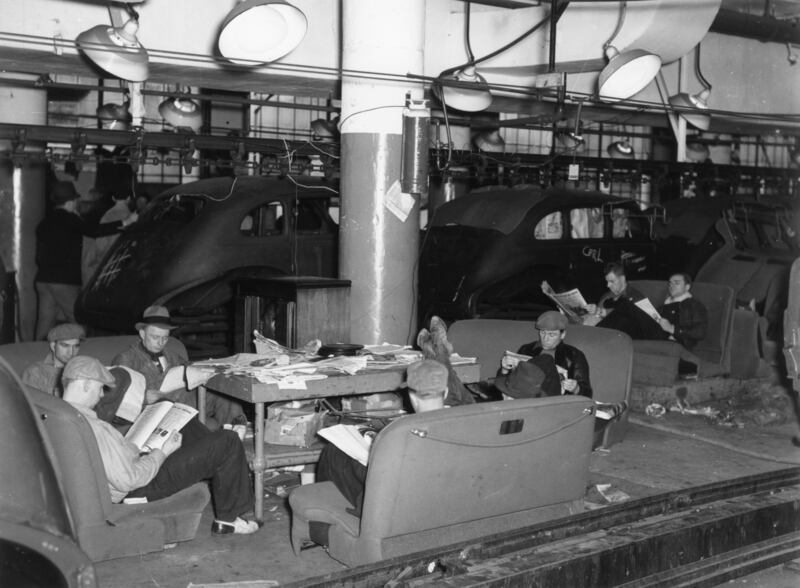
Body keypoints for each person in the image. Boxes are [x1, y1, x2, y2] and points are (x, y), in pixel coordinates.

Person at [62, 356, 259, 535]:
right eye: (100, 388)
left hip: (134, 467)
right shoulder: (94, 429)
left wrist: (137, 447)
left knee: (184, 422)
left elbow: (113, 460)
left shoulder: (63, 414)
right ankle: (230, 519)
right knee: (228, 440)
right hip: (138, 488)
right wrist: (161, 453)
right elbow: (129, 480)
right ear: (86, 385)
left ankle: (218, 464)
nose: (101, 395)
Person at [315, 359, 450, 519]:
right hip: (440, 492)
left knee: (333, 452)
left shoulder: (399, 433)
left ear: (412, 397)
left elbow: (383, 474)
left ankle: (322, 517)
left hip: (397, 502)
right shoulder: (465, 421)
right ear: (446, 392)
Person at [112, 305, 246, 430]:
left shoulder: (171, 355)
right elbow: (115, 400)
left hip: (181, 403)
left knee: (224, 394)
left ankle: (237, 432)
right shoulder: (126, 359)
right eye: (155, 337)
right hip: (154, 412)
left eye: (165, 338)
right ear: (142, 334)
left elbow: (189, 371)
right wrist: (143, 398)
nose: (160, 343)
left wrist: (207, 370)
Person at [34, 180, 138, 340]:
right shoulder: (70, 219)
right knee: (78, 321)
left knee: (45, 322)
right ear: (71, 201)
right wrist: (125, 222)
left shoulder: (45, 222)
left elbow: (39, 255)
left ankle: (34, 356)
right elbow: (94, 231)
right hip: (64, 282)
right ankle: (80, 359)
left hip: (43, 280)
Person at [500, 311, 592, 398]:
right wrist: (504, 369)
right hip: (522, 397)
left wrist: (576, 388)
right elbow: (506, 383)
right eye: (542, 332)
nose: (545, 338)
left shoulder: (574, 355)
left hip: (555, 402)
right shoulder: (526, 349)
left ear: (563, 334)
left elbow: (587, 394)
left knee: (546, 361)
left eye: (551, 335)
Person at [82, 189, 133, 286]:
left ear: (113, 198)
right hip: (124, 268)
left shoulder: (107, 216)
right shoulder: (133, 217)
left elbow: (100, 246)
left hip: (106, 268)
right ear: (129, 198)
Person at [21, 322, 84, 396]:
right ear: (53, 345)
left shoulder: (83, 369)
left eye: (76, 346)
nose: (71, 352)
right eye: (65, 346)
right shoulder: (36, 372)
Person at [656, 273, 708, 352]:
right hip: (655, 340)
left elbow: (700, 332)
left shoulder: (694, 305)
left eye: (676, 283)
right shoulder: (662, 306)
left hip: (677, 345)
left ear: (687, 287)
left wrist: (672, 329)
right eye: (670, 283)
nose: (671, 286)